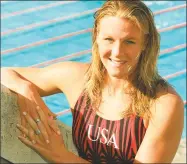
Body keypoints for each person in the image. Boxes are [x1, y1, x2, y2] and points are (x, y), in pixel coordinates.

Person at [1, 0, 184, 163]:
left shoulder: (163, 104)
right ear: (96, 37)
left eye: (129, 41)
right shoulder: (77, 78)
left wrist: (59, 156)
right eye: (109, 39)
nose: (117, 52)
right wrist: (26, 89)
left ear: (145, 43)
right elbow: (5, 73)